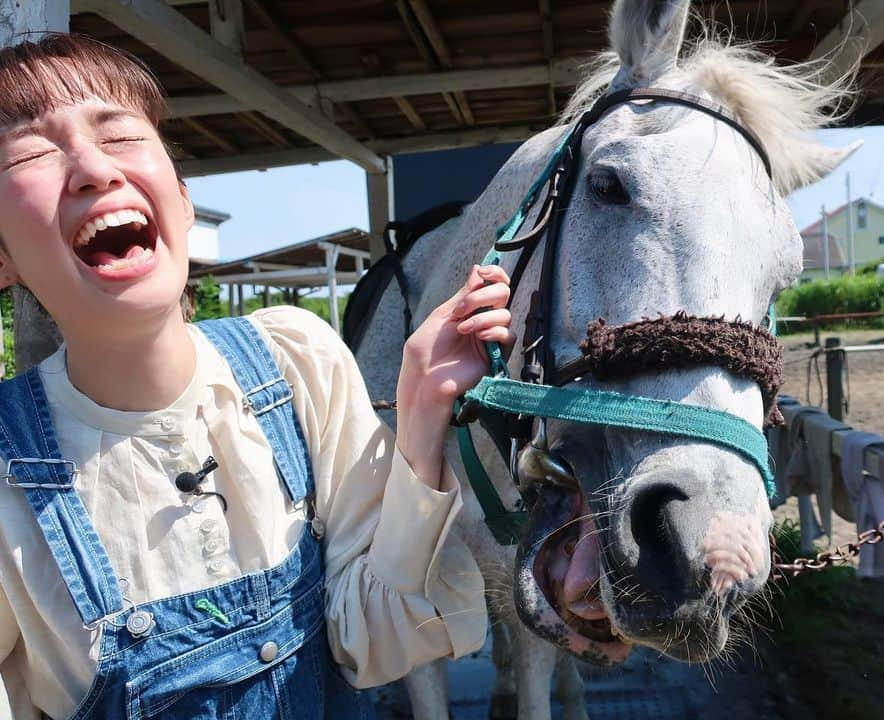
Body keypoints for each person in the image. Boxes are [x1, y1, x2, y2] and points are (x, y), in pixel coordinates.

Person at [0, 34, 513, 719]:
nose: (94, 169)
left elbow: (376, 639)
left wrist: (420, 416)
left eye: (119, 134)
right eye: (32, 151)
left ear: (180, 201)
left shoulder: (298, 360)